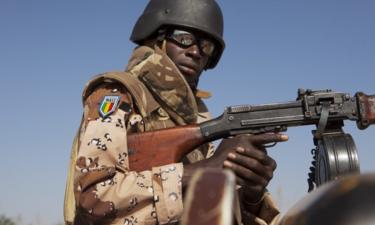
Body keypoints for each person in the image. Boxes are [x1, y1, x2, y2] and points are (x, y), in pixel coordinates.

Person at [64, 0, 288, 224]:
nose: (195, 52)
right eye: (184, 38)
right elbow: (94, 199)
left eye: (206, 46)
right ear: (157, 36)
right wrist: (205, 169)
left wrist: (251, 195)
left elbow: (207, 213)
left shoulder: (198, 118)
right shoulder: (118, 94)